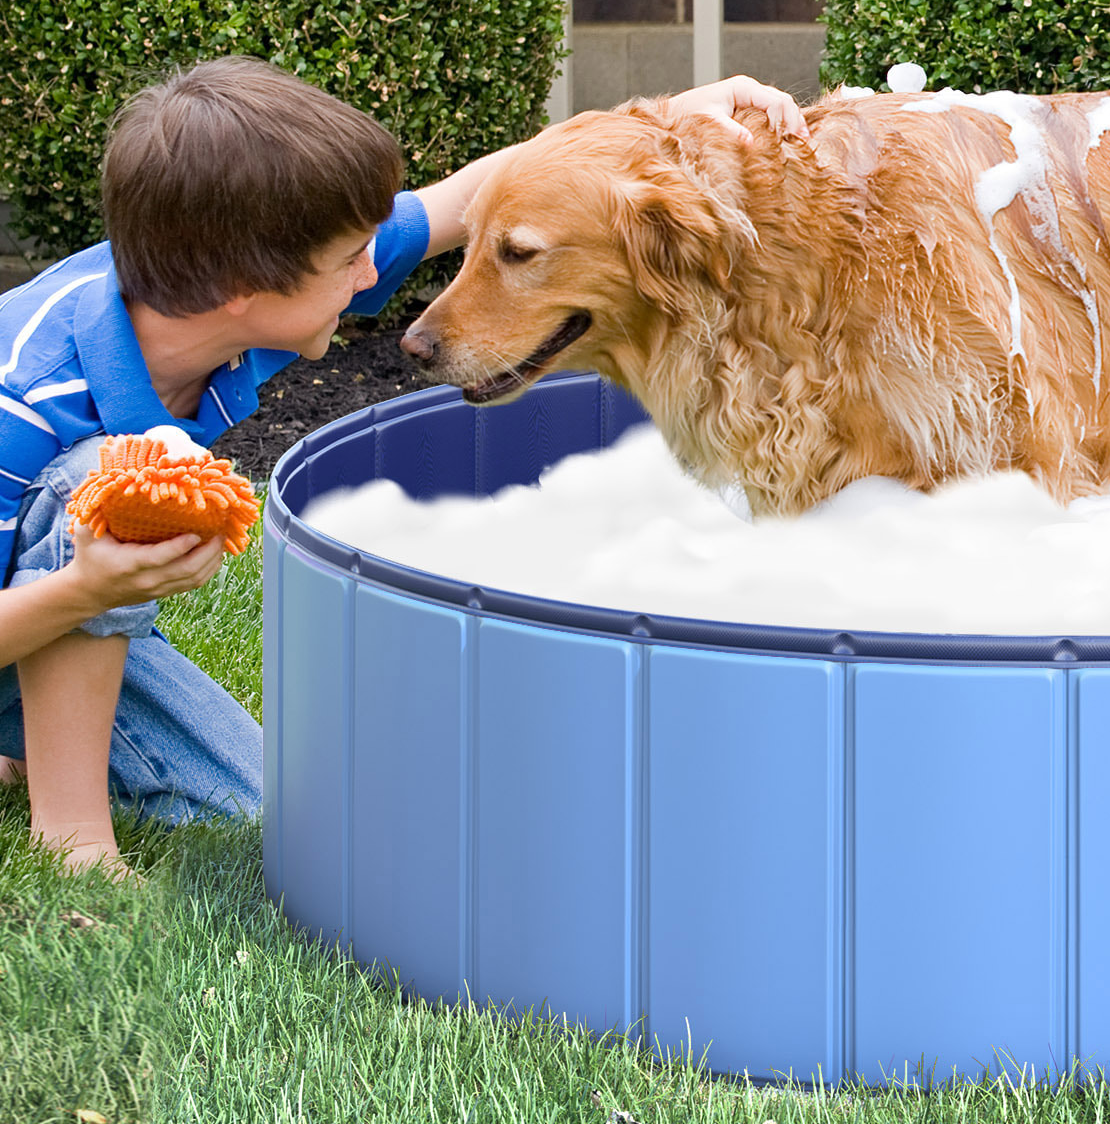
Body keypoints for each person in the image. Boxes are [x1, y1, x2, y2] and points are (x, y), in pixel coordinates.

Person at [0, 57, 807, 874]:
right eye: (352, 258)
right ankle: (72, 837)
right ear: (243, 284)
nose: (373, 273)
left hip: (33, 605)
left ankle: (26, 726)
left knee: (258, 805)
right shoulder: (25, 402)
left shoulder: (215, 292)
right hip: (42, 595)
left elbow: (460, 202)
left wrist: (669, 117)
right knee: (100, 473)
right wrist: (85, 590)